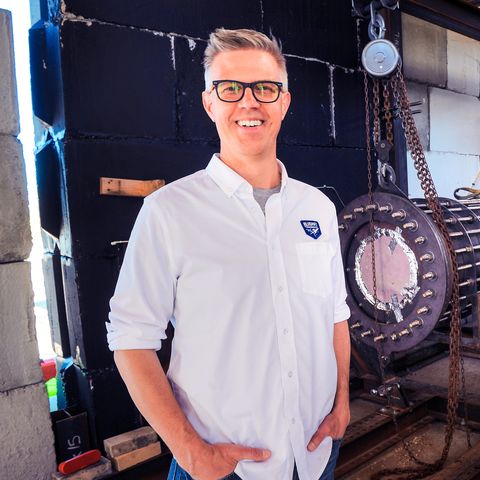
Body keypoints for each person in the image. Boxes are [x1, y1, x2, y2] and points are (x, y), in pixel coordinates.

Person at [106, 28, 351, 480]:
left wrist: (342, 405)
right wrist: (190, 451)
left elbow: (334, 315)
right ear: (209, 103)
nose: (249, 102)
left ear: (284, 101)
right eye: (230, 88)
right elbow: (130, 340)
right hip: (224, 467)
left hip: (316, 453)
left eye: (265, 88)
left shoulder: (315, 206)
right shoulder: (169, 212)